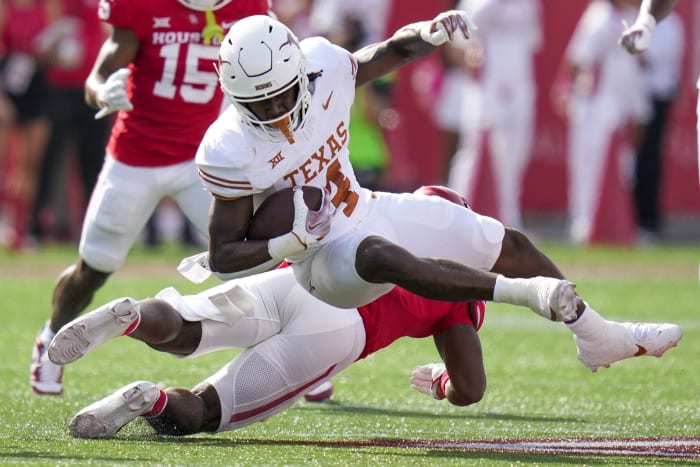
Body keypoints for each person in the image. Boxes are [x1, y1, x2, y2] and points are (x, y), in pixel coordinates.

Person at [181, 12, 681, 375]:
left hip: (365, 209)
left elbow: (391, 53)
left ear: (301, 74)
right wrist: (289, 243)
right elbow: (223, 256)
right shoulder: (229, 146)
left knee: (508, 243)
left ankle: (597, 336)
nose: (272, 113)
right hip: (319, 263)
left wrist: (428, 33)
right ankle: (525, 295)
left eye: (282, 96)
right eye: (258, 103)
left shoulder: (325, 66)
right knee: (380, 256)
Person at [47, 249, 587, 439]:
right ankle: (154, 400)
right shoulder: (458, 288)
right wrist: (444, 382)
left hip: (292, 282)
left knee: (185, 328)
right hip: (338, 331)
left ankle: (133, 316)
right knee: (208, 411)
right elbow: (471, 388)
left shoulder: (382, 211)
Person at [29, 0, 273, 396]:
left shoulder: (248, 7)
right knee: (93, 269)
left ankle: (290, 353)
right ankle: (51, 336)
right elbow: (100, 74)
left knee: (254, 263)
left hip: (202, 158)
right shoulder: (143, 5)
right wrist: (100, 92)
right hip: (135, 159)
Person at [551, 0, 648, 245]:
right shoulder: (600, 17)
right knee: (589, 168)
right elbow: (575, 61)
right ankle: (583, 226)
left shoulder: (631, 17)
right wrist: (572, 93)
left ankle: (620, 227)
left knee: (623, 168)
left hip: (619, 104)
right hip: (595, 106)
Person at [446, 0, 543, 230]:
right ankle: (456, 215)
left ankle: (509, 221)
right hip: (485, 89)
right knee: (474, 152)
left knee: (516, 154)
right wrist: (471, 63)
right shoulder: (476, 4)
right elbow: (458, 45)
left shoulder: (529, 4)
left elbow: (532, 41)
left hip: (520, 86)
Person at [619, 1, 684, 243]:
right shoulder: (637, 17)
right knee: (629, 161)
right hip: (634, 96)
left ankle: (648, 220)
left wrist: (634, 48)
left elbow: (652, 60)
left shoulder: (672, 25)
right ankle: (630, 219)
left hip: (656, 96)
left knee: (649, 160)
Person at [0, 0, 52, 250]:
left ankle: (21, 228)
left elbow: (51, 49)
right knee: (7, 160)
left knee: (31, 162)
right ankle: (5, 221)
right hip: (7, 83)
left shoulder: (46, 6)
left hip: (36, 82)